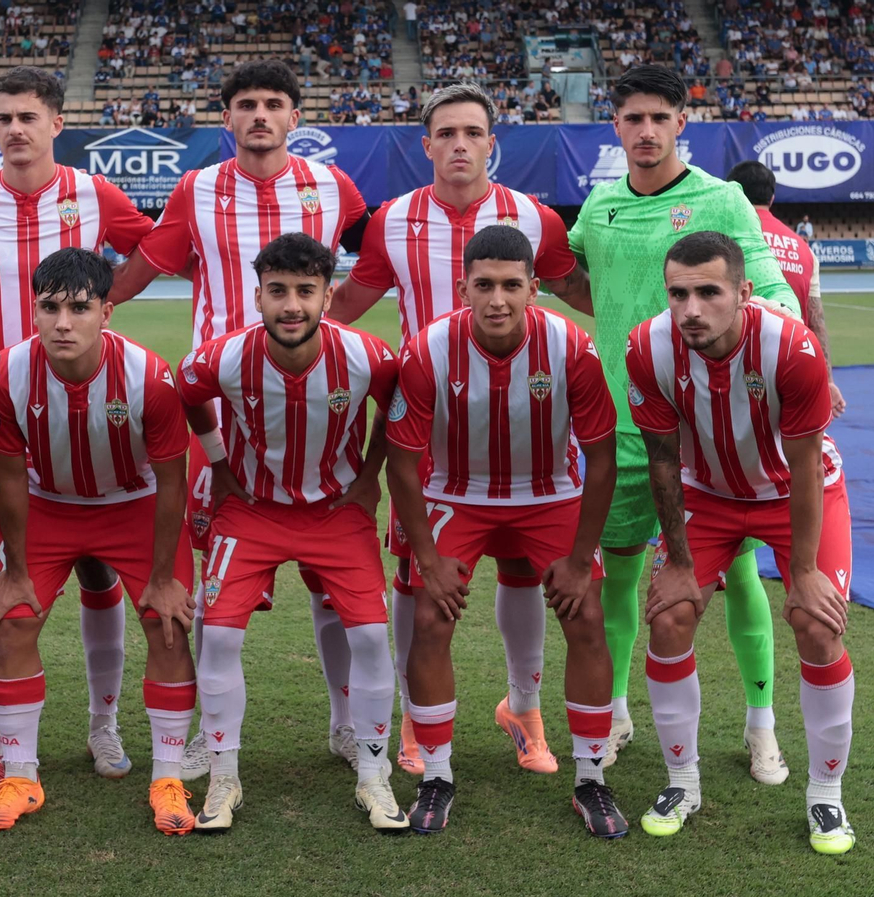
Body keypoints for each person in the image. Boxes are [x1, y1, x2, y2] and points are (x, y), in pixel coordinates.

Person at [108, 60, 371, 779]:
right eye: (246, 104)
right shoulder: (198, 189)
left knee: (331, 574)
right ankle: (206, 736)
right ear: (226, 118)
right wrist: (99, 303)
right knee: (204, 577)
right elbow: (148, 261)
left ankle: (347, 725)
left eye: (274, 104)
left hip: (315, 401)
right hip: (216, 409)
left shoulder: (332, 186)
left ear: (295, 117)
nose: (260, 114)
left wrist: (335, 328)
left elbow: (375, 261)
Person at [328, 81, 593, 777]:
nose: (458, 145)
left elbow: (580, 294)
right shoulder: (391, 220)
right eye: (445, 133)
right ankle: (420, 724)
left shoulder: (535, 218)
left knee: (525, 576)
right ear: (426, 145)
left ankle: (524, 710)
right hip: (430, 438)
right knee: (417, 584)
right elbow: (347, 304)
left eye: (471, 132)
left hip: (531, 435)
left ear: (491, 142)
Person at [0, 67, 157, 780]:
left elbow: (150, 249)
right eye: (3, 118)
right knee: (3, 584)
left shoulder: (93, 193)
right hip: (2, 415)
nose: (15, 129)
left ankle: (103, 725)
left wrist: (104, 308)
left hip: (88, 406)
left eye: (28, 116)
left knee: (97, 571)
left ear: (57, 123)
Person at [565, 64, 803, 777]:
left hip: (704, 427)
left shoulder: (721, 198)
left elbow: (767, 284)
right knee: (619, 578)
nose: (645, 131)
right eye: (632, 118)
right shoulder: (599, 206)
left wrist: (799, 358)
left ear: (680, 124)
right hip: (617, 424)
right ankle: (612, 713)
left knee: (732, 576)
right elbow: (578, 280)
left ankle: (760, 724)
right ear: (616, 126)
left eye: (658, 118)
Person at [387, 225, 624, 838]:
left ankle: (591, 779)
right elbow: (403, 465)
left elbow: (602, 458)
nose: (498, 299)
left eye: (511, 286)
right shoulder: (427, 348)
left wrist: (577, 558)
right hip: (454, 493)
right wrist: (428, 558)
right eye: (484, 285)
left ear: (534, 288)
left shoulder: (571, 347)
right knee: (431, 615)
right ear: (463, 287)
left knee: (587, 617)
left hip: (549, 493)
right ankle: (436, 774)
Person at [626, 231, 857, 856]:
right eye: (679, 293)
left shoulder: (792, 346)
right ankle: (682, 781)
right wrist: (676, 560)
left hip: (793, 492)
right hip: (708, 496)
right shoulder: (647, 348)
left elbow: (805, 464)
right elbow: (664, 461)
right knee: (670, 618)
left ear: (744, 293)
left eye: (709, 292)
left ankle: (825, 796)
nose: (692, 308)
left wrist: (804, 571)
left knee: (816, 624)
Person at [177, 233, 402, 832]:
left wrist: (369, 475)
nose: (292, 305)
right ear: (258, 296)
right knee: (219, 636)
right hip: (253, 510)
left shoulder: (367, 356)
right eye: (278, 291)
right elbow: (191, 393)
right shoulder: (222, 357)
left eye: (306, 291)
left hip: (336, 511)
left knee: (374, 638)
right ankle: (224, 773)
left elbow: (397, 404)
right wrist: (221, 465)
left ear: (328, 296)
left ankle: (372, 774)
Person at [0, 248, 199, 835]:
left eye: (79, 308)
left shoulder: (149, 376)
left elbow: (173, 479)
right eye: (49, 308)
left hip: (134, 504)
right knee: (13, 617)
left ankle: (167, 777)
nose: (62, 323)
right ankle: (21, 775)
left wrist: (166, 576)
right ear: (35, 311)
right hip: (49, 506)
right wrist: (16, 569)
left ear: (108, 311)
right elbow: (8, 477)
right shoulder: (3, 373)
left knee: (167, 620)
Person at [726, 161, 845, 418]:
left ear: (732, 193)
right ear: (772, 197)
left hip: (737, 374)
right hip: (794, 368)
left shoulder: (722, 238)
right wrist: (828, 380)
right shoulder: (803, 247)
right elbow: (816, 320)